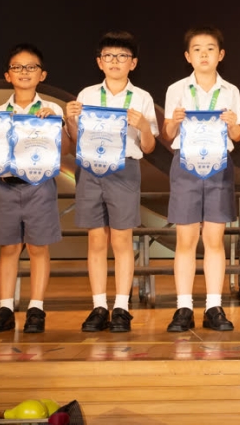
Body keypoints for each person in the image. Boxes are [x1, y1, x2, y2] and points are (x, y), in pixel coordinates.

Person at [65, 32, 158, 334]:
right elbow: (76, 141)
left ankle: (121, 307)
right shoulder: (87, 94)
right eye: (109, 56)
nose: (115, 61)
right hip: (91, 169)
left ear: (133, 63)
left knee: (121, 240)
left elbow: (149, 147)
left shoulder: (142, 97)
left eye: (122, 56)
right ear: (99, 62)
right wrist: (71, 120)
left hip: (125, 169)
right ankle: (98, 306)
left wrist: (143, 126)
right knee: (96, 240)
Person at [161, 26, 240, 333]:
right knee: (185, 240)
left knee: (214, 239)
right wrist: (174, 122)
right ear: (188, 56)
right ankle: (183, 307)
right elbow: (167, 134)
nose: (204, 55)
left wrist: (233, 125)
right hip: (185, 165)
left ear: (220, 55)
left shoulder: (230, 91)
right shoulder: (177, 89)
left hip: (219, 167)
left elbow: (238, 135)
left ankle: (213, 306)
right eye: (197, 49)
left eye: (210, 49)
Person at [0, 44, 64, 334]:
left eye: (31, 67)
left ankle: (36, 308)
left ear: (42, 74)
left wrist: (55, 123)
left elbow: (66, 149)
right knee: (9, 247)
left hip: (40, 185)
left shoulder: (52, 110)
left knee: (38, 247)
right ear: (7, 75)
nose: (24, 72)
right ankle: (5, 307)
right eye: (17, 67)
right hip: (5, 186)